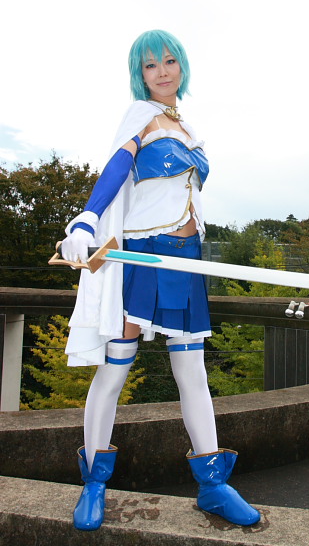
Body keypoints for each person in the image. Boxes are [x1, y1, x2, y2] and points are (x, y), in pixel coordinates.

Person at [60, 29, 260, 531]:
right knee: (115, 370)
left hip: (186, 258)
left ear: (182, 66)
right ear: (140, 74)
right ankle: (94, 483)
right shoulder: (141, 114)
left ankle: (213, 485)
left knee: (192, 371)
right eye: (150, 65)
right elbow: (117, 166)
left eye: (169, 61)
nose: (162, 71)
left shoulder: (187, 127)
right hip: (144, 256)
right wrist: (86, 219)